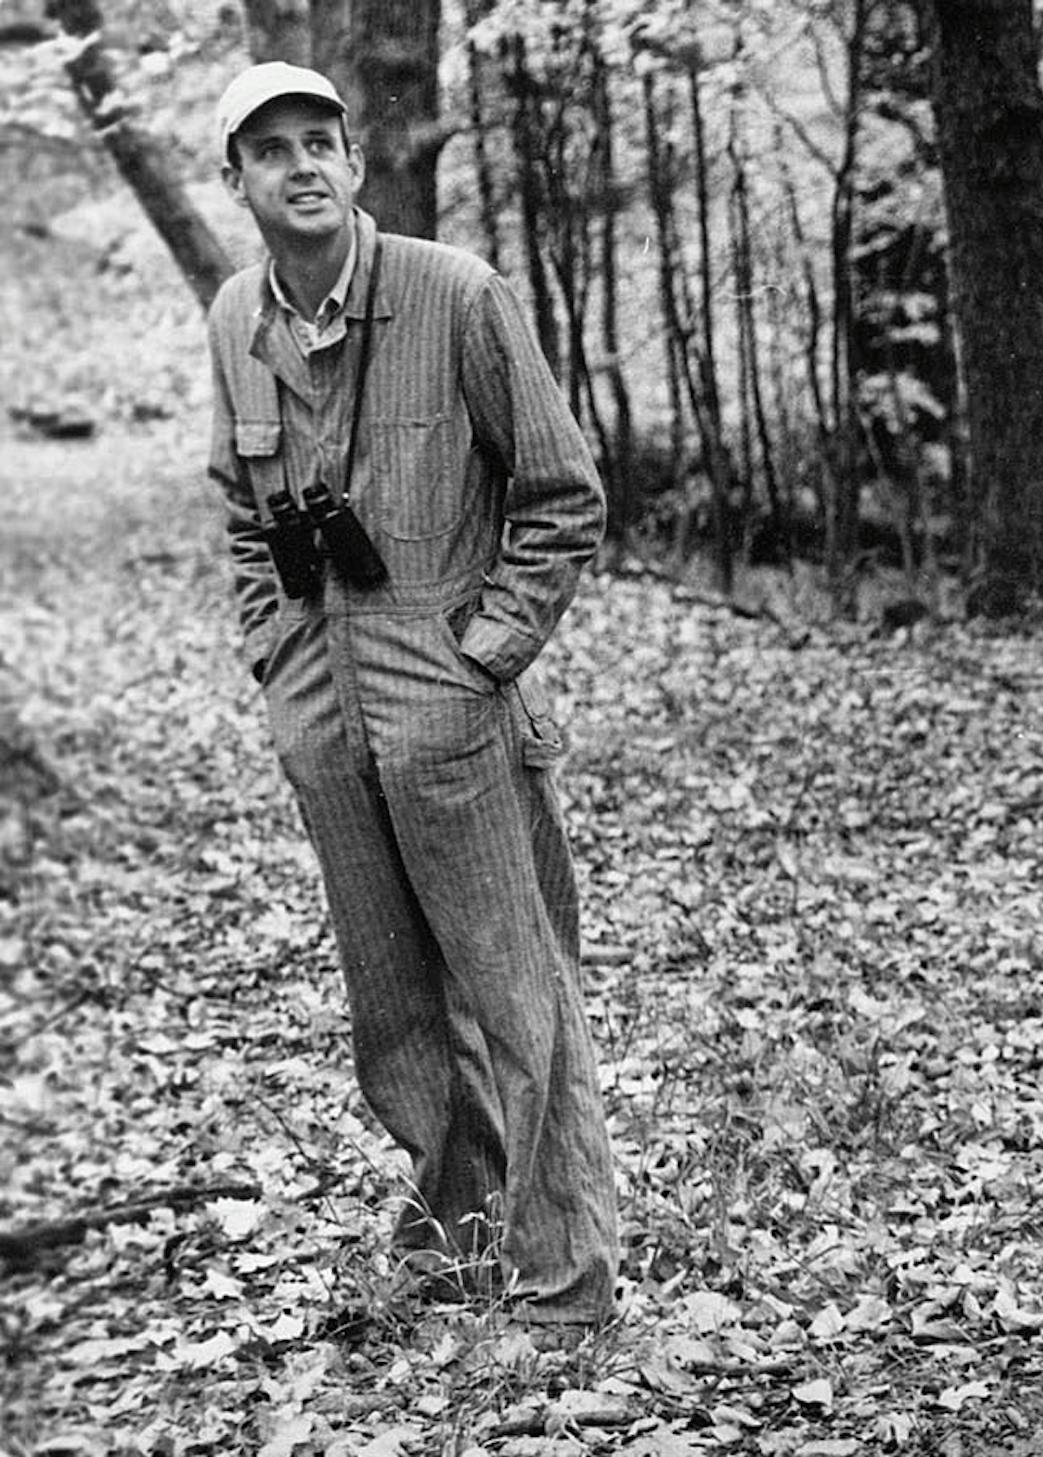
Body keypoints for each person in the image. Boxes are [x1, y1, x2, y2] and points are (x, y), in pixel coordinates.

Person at [202, 62, 617, 1329]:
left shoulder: (455, 294)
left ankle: (563, 1284)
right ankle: (456, 1234)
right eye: (270, 149)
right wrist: (278, 657)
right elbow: (236, 505)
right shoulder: (236, 318)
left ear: (354, 160)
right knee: (392, 1010)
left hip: (450, 699)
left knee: (515, 989)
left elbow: (562, 495)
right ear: (237, 182)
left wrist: (482, 653)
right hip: (326, 715)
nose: (302, 165)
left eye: (320, 140)